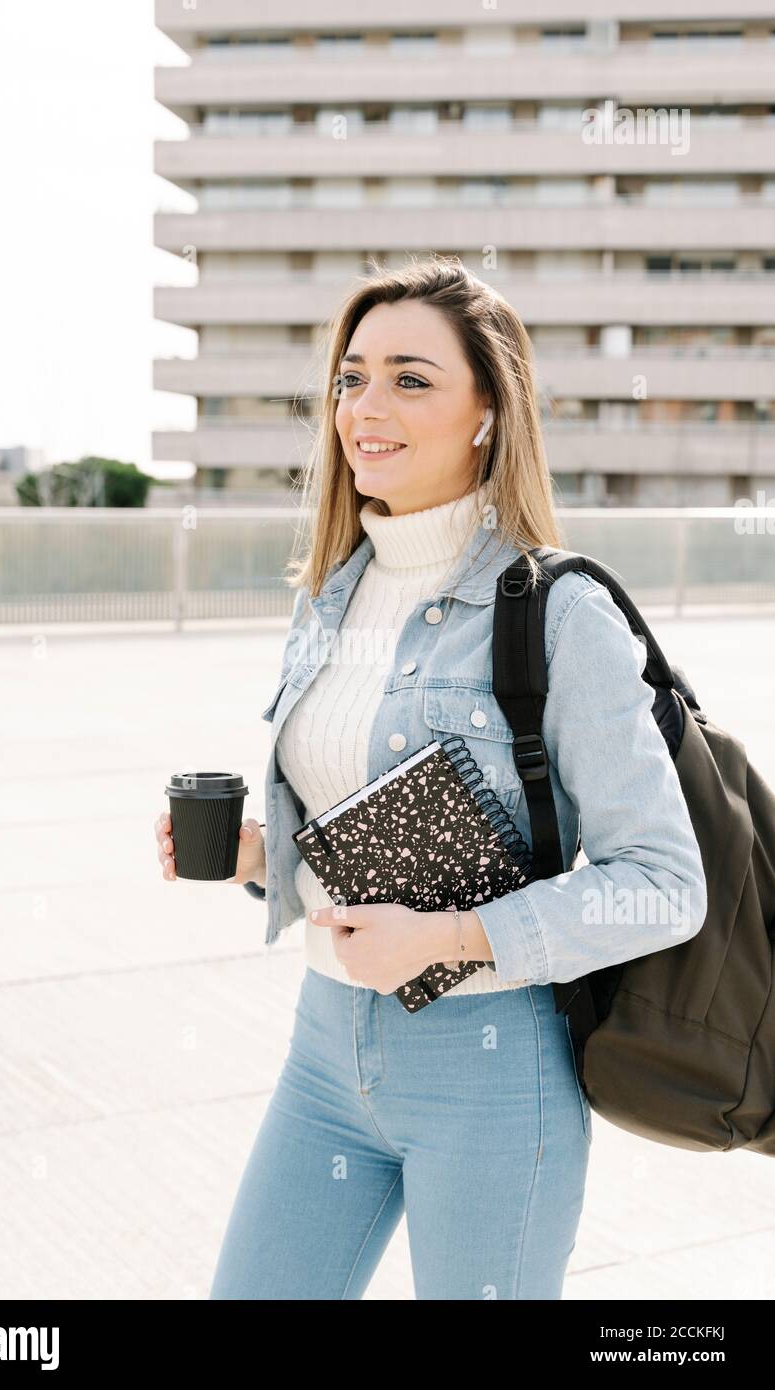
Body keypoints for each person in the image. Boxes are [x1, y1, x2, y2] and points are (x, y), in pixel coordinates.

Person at [153, 256, 707, 1300]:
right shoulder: (327, 596)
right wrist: (257, 858)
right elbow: (359, 831)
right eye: (351, 377)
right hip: (325, 1055)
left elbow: (663, 880)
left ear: (489, 412)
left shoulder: (559, 611)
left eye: (411, 379)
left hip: (492, 1075)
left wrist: (452, 939)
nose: (367, 406)